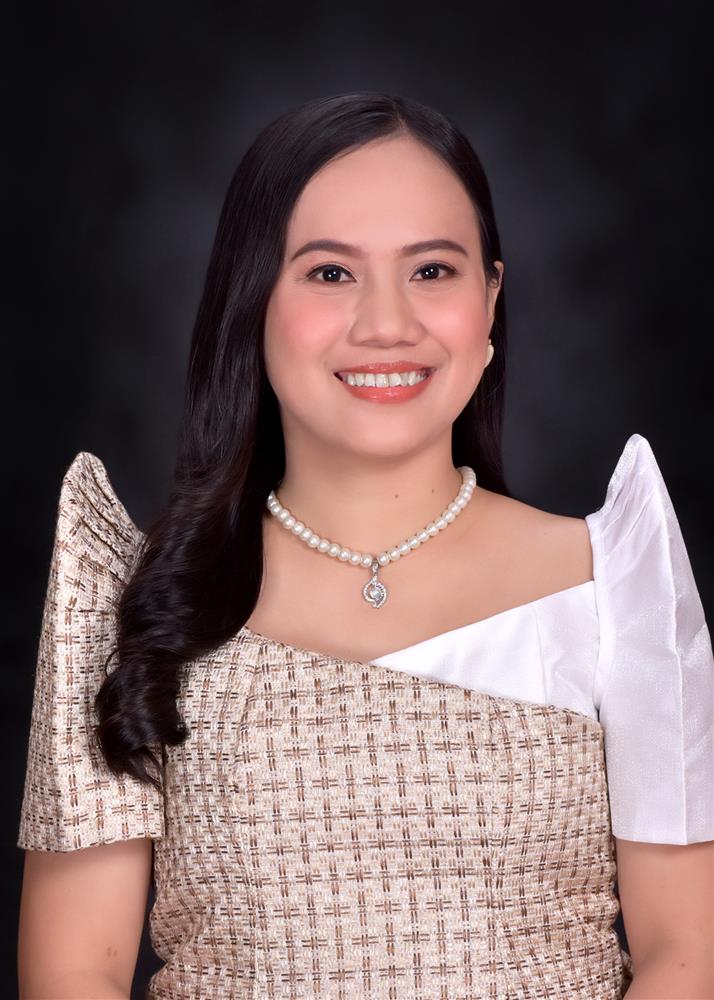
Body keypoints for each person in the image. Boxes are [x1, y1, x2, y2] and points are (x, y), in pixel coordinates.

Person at [16, 92, 714, 999]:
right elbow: (74, 973)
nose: (388, 323)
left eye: (432, 270)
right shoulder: (133, 598)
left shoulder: (614, 580)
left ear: (490, 299)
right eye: (330, 272)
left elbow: (686, 954)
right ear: (251, 300)